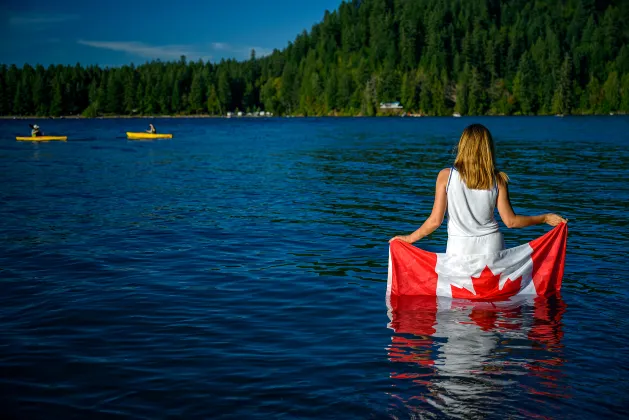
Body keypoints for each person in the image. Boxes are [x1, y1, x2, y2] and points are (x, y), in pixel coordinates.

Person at [389, 124, 567, 255]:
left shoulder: (445, 176)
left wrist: (409, 239)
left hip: (460, 249)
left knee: (459, 302)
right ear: (488, 149)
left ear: (463, 146)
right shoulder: (498, 179)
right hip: (492, 247)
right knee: (494, 299)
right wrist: (544, 218)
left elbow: (435, 221)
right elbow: (511, 222)